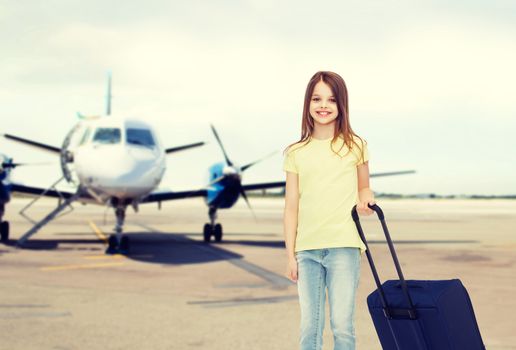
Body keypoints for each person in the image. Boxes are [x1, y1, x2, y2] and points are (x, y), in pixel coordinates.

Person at [282, 71, 375, 350]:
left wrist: (367, 200)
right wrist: (290, 255)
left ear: (341, 104)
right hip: (307, 251)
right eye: (317, 98)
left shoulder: (356, 145)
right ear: (308, 104)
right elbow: (291, 207)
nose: (324, 105)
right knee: (309, 328)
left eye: (331, 100)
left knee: (342, 327)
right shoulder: (295, 152)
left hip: (344, 247)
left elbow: (364, 188)